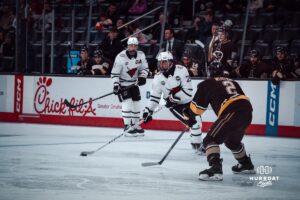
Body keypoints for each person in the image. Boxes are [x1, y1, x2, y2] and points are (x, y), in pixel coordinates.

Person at [183, 63, 255, 181]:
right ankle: (245, 164)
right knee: (232, 142)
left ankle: (215, 169)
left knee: (209, 140)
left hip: (232, 112)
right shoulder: (233, 81)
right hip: (247, 112)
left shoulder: (206, 84)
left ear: (209, 72)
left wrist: (189, 114)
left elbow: (197, 109)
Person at [142, 51, 204, 154]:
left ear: (170, 62)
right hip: (175, 107)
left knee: (197, 123)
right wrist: (148, 110)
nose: (161, 65)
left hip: (187, 101)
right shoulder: (157, 77)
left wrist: (172, 98)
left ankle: (196, 144)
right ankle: (197, 147)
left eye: (164, 62)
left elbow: (188, 92)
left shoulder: (182, 70)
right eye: (160, 62)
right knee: (195, 123)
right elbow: (154, 98)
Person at [111, 37, 149, 136]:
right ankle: (127, 126)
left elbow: (145, 69)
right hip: (123, 84)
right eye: (131, 45)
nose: (133, 47)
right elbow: (115, 73)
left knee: (137, 104)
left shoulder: (141, 55)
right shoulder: (120, 56)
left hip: (134, 84)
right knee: (127, 103)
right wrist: (116, 85)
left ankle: (135, 125)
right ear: (127, 46)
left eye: (135, 45)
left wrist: (142, 77)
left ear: (137, 46)